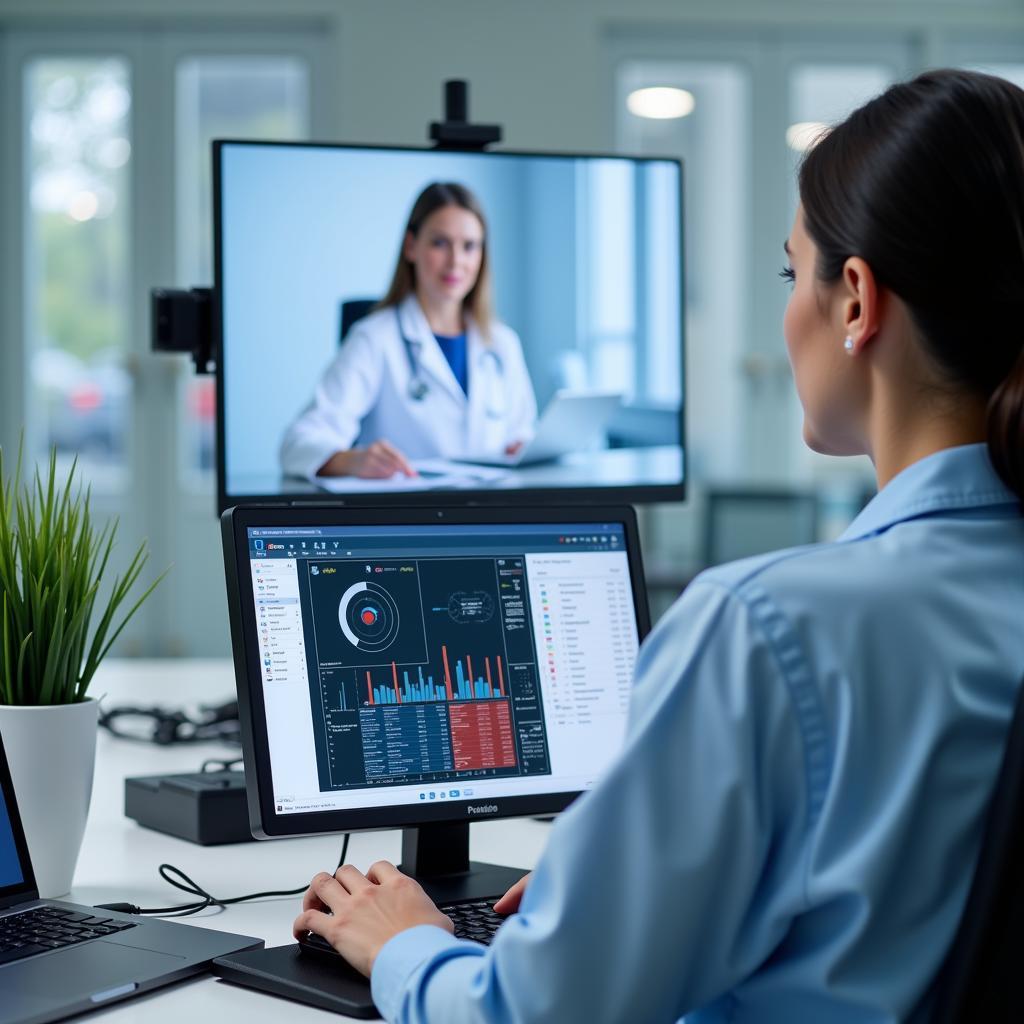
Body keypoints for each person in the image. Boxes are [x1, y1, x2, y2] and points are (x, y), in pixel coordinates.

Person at [292, 69, 1024, 1021]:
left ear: (854, 302)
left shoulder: (764, 632)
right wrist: (618, 908)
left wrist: (406, 946)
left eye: (786, 271)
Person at [279, 182, 537, 480]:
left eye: (469, 246)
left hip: (491, 514)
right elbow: (297, 444)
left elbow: (523, 433)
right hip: (410, 518)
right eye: (440, 243)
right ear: (411, 246)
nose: (456, 261)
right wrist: (352, 461)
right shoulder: (374, 338)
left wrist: (524, 448)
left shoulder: (502, 342)